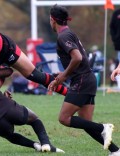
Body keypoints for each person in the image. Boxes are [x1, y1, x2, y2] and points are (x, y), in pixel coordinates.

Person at [48, 5, 120, 156]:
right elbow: (79, 59)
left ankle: (103, 128)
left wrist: (64, 76)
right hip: (88, 79)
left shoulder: (63, 36)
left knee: (64, 118)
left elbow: (78, 57)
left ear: (52, 20)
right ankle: (116, 151)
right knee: (87, 123)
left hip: (81, 81)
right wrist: (64, 74)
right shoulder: (69, 33)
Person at [0, 67, 65, 153]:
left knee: (10, 136)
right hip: (7, 108)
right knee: (34, 119)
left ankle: (35, 145)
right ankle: (46, 144)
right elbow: (8, 71)